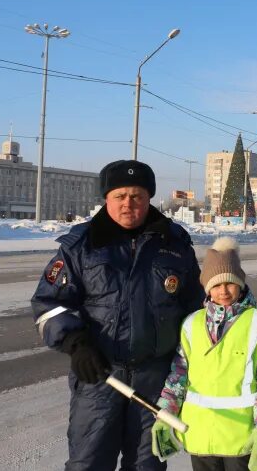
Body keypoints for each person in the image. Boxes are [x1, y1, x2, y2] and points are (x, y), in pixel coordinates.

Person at [31, 160, 204, 470]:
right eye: (119, 196)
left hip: (157, 378)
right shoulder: (82, 246)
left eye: (136, 196)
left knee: (147, 465)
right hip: (100, 377)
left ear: (148, 198)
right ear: (106, 198)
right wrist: (75, 343)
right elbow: (49, 303)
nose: (128, 204)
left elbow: (195, 310)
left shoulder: (175, 245)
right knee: (89, 462)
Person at [152, 236, 257, 471]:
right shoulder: (191, 324)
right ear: (207, 288)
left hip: (240, 435)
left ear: (241, 284)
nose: (223, 291)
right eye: (216, 285)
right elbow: (178, 376)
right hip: (200, 432)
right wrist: (164, 414)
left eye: (230, 283)